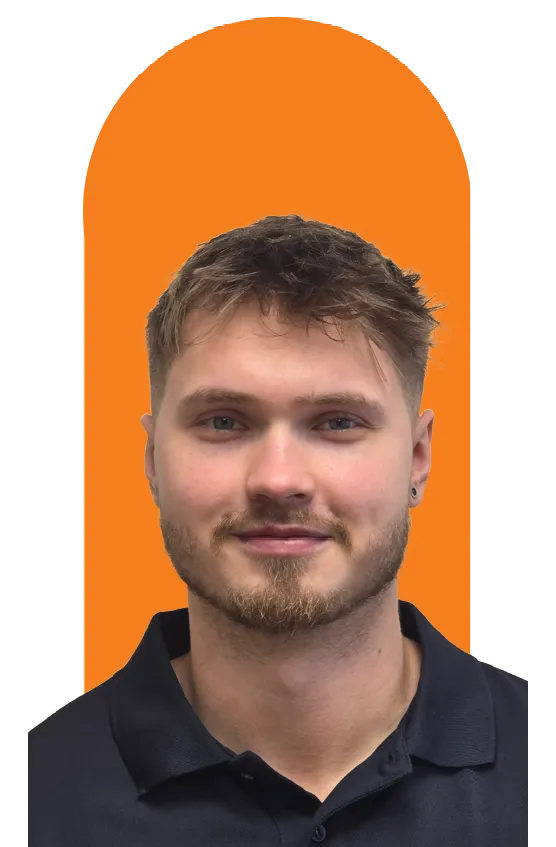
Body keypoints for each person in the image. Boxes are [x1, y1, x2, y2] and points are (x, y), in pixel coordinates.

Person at [25, 215, 527, 845]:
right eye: (224, 421)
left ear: (418, 458)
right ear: (153, 461)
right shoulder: (37, 798)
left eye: (337, 422)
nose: (278, 479)